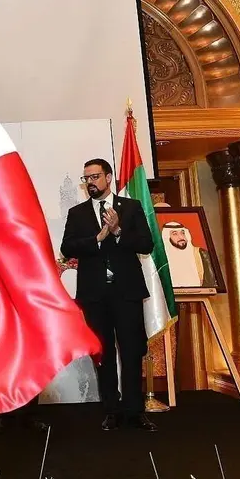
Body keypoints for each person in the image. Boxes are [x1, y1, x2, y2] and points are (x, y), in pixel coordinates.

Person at [60, 158, 157, 432]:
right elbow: (67, 247)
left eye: (94, 177)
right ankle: (111, 410)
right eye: (86, 178)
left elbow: (146, 244)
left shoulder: (131, 208)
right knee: (103, 354)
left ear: (108, 177)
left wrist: (117, 232)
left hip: (126, 292)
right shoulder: (77, 213)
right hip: (95, 295)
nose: (90, 182)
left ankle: (134, 411)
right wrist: (98, 238)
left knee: (131, 351)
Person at [162, 221, 216, 288]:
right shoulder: (161, 258)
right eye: (175, 234)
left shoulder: (200, 254)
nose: (181, 237)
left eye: (182, 233)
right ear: (167, 237)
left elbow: (211, 283)